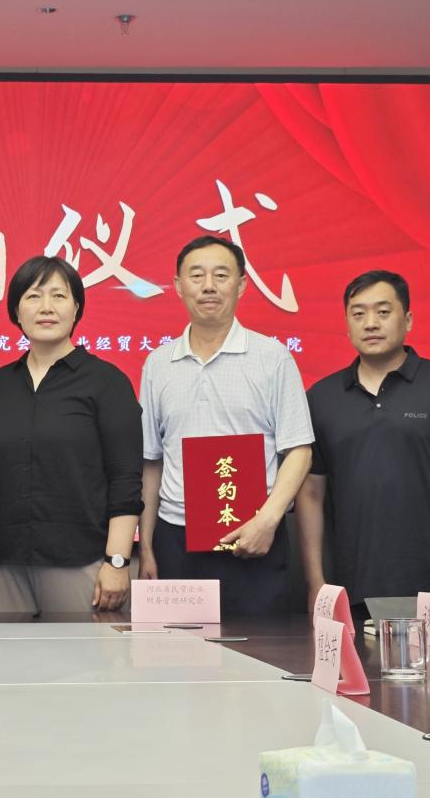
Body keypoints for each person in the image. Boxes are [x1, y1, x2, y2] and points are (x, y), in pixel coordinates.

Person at [296, 270, 430, 623]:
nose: (370, 323)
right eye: (358, 314)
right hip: (354, 589)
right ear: (347, 325)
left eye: (383, 311)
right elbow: (311, 494)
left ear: (407, 320)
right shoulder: (321, 398)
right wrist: (316, 582)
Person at [139, 236, 314, 615]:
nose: (208, 286)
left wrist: (268, 520)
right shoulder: (158, 364)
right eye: (196, 275)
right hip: (176, 538)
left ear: (241, 284)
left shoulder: (272, 358)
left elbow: (299, 449)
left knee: (259, 646)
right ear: (178, 286)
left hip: (255, 537)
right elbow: (151, 461)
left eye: (221, 275)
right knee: (176, 648)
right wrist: (148, 545)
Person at [0, 257, 142, 614]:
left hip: (79, 560)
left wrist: (117, 560)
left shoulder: (107, 382)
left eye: (58, 296)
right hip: (0, 562)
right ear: (16, 311)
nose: (46, 307)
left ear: (76, 308)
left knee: (84, 653)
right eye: (33, 296)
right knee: (4, 653)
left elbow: (125, 479)